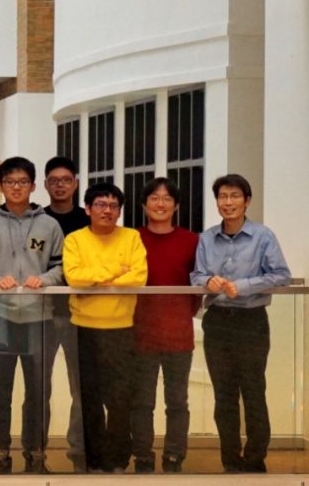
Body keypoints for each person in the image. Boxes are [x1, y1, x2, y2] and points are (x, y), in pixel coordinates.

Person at [190, 174, 290, 473]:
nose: (228, 202)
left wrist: (244, 286)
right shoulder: (207, 238)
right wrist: (208, 280)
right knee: (224, 394)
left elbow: (281, 276)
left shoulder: (263, 236)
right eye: (223, 196)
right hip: (217, 321)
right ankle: (231, 461)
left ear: (247, 201)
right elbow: (195, 276)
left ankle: (256, 459)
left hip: (251, 321)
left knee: (253, 391)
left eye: (235, 196)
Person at [0, 157, 65, 474]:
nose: (16, 187)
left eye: (23, 181)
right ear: (1, 186)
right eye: (10, 182)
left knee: (38, 391)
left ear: (33, 186)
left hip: (40, 319)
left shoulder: (49, 226)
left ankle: (36, 454)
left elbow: (60, 268)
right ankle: (0, 453)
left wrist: (46, 280)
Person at [62, 182, 147, 473]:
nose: (107, 211)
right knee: (89, 399)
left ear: (119, 211)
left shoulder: (131, 237)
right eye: (100, 204)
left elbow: (139, 277)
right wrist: (115, 271)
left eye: (113, 206)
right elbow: (74, 278)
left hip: (122, 328)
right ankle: (95, 460)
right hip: (83, 328)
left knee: (121, 399)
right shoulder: (75, 240)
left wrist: (95, 279)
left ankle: (118, 460)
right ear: (88, 209)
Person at [130, 177, 200, 474]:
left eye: (167, 198)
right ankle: (142, 456)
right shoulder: (132, 238)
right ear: (144, 204)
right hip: (140, 334)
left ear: (176, 206)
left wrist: (179, 315)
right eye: (154, 198)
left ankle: (174, 456)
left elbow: (196, 288)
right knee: (141, 402)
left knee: (177, 402)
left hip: (178, 335)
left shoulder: (191, 241)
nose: (160, 204)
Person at [42, 156, 88, 472]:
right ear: (46, 185)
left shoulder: (88, 220)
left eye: (66, 180)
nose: (60, 185)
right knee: (39, 388)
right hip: (42, 315)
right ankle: (36, 451)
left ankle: (79, 450)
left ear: (75, 183)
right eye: (54, 180)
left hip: (80, 315)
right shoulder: (37, 220)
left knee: (81, 388)